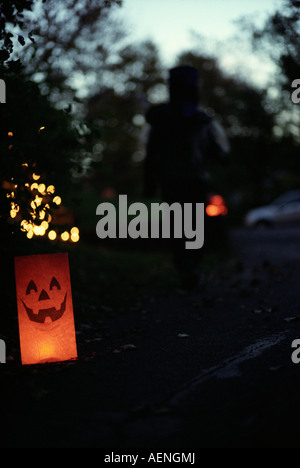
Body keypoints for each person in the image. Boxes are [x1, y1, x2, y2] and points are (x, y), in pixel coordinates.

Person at [144, 65, 230, 289]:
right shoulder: (200, 120)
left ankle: (186, 268)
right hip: (193, 179)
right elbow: (214, 149)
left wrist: (150, 181)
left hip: (172, 180)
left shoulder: (162, 118)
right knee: (193, 224)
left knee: (178, 225)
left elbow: (152, 152)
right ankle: (191, 267)